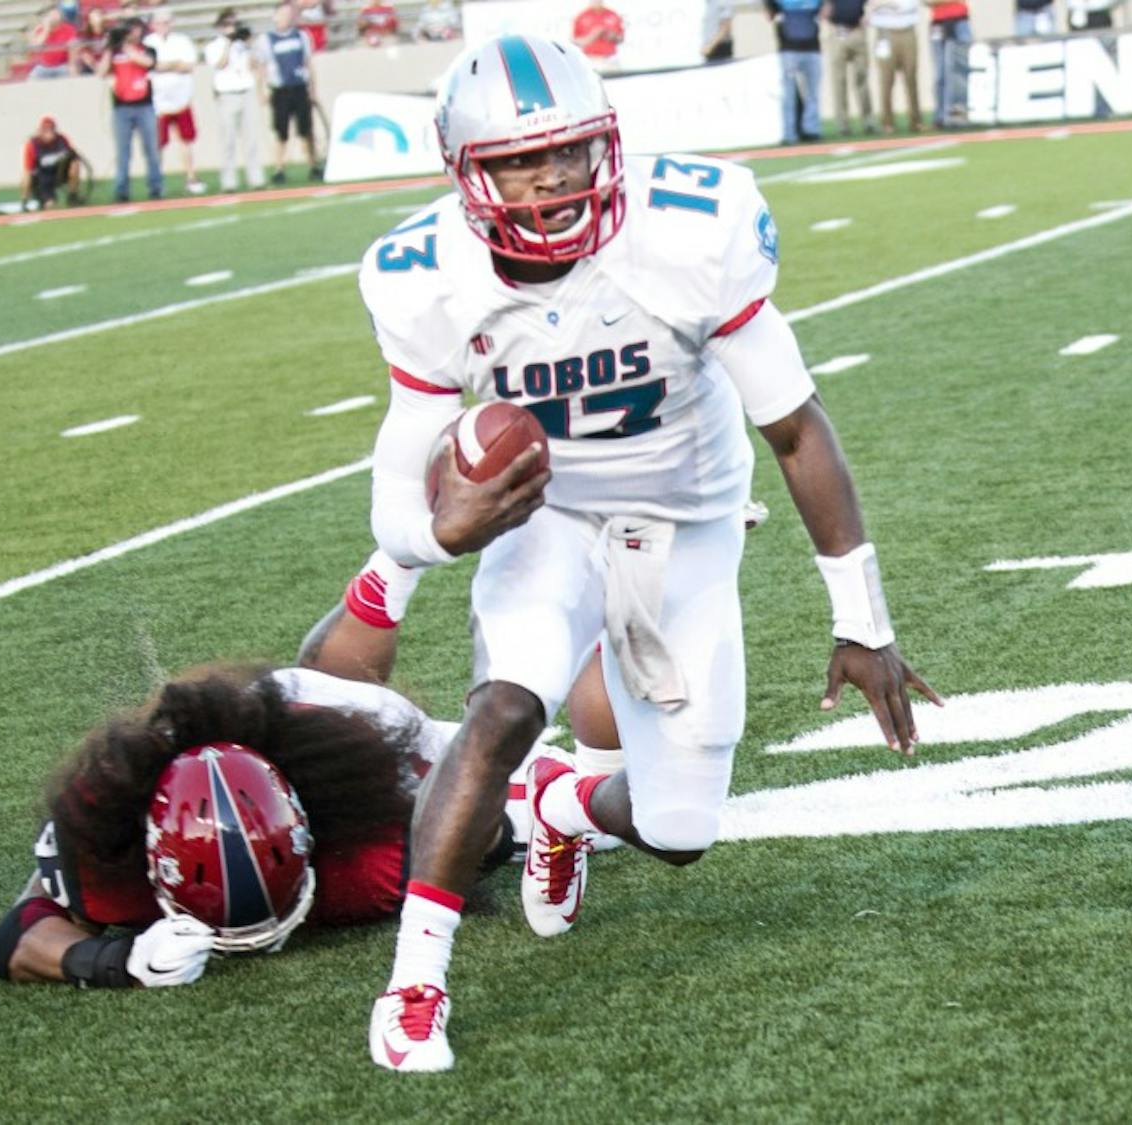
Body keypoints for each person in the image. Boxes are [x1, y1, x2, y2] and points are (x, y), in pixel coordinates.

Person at [357, 33, 939, 1071]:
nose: (549, 179)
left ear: (607, 145)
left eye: (567, 152)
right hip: (552, 518)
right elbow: (395, 490)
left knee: (678, 833)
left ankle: (561, 801)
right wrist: (436, 536)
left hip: (689, 527)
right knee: (501, 706)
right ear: (464, 172)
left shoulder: (690, 228)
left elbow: (797, 428)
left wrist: (864, 620)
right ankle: (414, 984)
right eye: (517, 162)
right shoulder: (423, 276)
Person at [0, 556, 562, 989]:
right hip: (227, 748)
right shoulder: (105, 845)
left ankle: (394, 566)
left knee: (503, 777)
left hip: (327, 730)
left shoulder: (372, 864)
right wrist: (114, 962)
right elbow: (21, 932)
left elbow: (482, 837)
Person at [100, 16, 165, 201]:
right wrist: (109, 48)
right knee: (123, 152)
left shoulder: (146, 49)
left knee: (151, 149)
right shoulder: (114, 52)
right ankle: (121, 190)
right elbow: (101, 71)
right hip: (122, 107)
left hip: (144, 105)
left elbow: (148, 62)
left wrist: (127, 48)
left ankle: (156, 187)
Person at [258, 1, 323, 184]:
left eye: (289, 14)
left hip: (299, 87)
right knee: (281, 131)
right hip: (280, 90)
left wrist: (313, 88)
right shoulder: (267, 39)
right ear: (275, 16)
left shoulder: (301, 35)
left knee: (306, 129)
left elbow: (308, 64)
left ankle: (313, 165)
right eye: (282, 14)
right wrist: (262, 90)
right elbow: (260, 67)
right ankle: (279, 168)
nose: (286, 18)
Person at [144, 7, 206, 194]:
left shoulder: (182, 41)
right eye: (159, 22)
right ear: (153, 25)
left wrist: (164, 65)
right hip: (158, 101)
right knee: (158, 144)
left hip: (181, 99)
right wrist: (172, 64)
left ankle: (191, 177)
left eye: (166, 22)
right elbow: (149, 66)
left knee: (186, 141)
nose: (163, 26)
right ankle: (158, 181)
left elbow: (188, 65)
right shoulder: (148, 42)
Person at [205, 8, 267, 192]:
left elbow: (256, 64)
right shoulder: (214, 46)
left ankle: (256, 178)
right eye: (227, 25)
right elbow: (220, 64)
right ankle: (228, 181)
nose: (231, 28)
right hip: (227, 94)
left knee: (252, 138)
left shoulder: (243, 45)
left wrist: (249, 43)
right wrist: (228, 44)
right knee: (228, 140)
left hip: (246, 91)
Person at [766, 0, 824, 143]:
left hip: (812, 47)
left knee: (812, 92)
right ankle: (789, 132)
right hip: (789, 48)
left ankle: (811, 130)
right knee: (789, 94)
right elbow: (769, 15)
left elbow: (824, 11)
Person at [868, 0, 921, 133]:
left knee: (911, 76)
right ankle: (887, 122)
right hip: (884, 33)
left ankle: (916, 120)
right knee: (886, 79)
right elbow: (873, 4)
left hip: (907, 29)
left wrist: (888, 4)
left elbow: (910, 4)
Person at [823, 0, 874, 136]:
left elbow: (870, 4)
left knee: (862, 78)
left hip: (857, 31)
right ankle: (842, 124)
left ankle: (868, 120)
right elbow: (825, 9)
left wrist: (868, 15)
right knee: (839, 81)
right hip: (837, 32)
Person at [924, 0, 971, 127]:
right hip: (938, 24)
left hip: (960, 21)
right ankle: (941, 116)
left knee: (961, 71)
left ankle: (960, 115)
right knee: (941, 73)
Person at [20, 115, 82, 210]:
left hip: (58, 174)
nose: (49, 132)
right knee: (50, 206)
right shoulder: (33, 145)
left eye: (51, 129)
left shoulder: (62, 140)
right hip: (42, 178)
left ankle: (73, 196)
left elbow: (73, 156)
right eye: (45, 130)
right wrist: (26, 195)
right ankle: (27, 203)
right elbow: (28, 170)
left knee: (75, 164)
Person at [28, 4, 79, 79]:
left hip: (61, 66)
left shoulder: (68, 29)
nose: (54, 18)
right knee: (33, 77)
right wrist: (46, 29)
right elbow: (36, 48)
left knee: (71, 75)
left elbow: (73, 46)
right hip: (44, 67)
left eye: (56, 14)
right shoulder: (41, 30)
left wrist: (72, 65)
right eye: (52, 15)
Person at [572, 0, 625, 71]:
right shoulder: (582, 16)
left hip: (609, 59)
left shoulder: (613, 15)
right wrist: (592, 36)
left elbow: (621, 38)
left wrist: (613, 36)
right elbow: (575, 41)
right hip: (590, 58)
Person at [76, 7, 112, 74]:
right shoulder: (84, 34)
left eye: (99, 15)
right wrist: (97, 68)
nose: (98, 18)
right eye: (94, 16)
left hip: (107, 64)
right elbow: (84, 54)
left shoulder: (110, 32)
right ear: (90, 20)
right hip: (91, 66)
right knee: (83, 54)